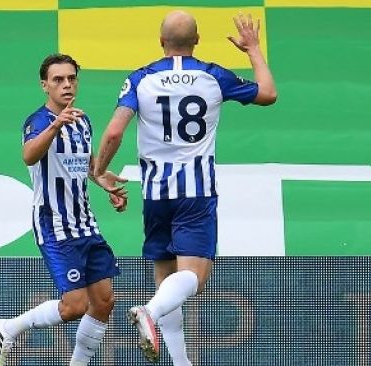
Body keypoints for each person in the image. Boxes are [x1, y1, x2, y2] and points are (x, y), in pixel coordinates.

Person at [91, 9, 277, 365]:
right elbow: (268, 93)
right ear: (197, 41)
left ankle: (180, 361)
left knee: (167, 279)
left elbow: (114, 132)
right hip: (195, 191)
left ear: (161, 42)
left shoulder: (140, 79)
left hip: (156, 193)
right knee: (194, 276)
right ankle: (149, 312)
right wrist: (252, 48)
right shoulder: (213, 76)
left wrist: (100, 171)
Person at [0, 54, 128, 366]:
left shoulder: (83, 120)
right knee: (74, 306)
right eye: (58, 80)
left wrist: (103, 180)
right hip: (54, 225)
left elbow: (87, 164)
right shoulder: (37, 121)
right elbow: (28, 155)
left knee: (104, 302)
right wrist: (55, 125)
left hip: (86, 224)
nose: (66, 85)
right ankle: (8, 328)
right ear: (45, 86)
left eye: (71, 79)